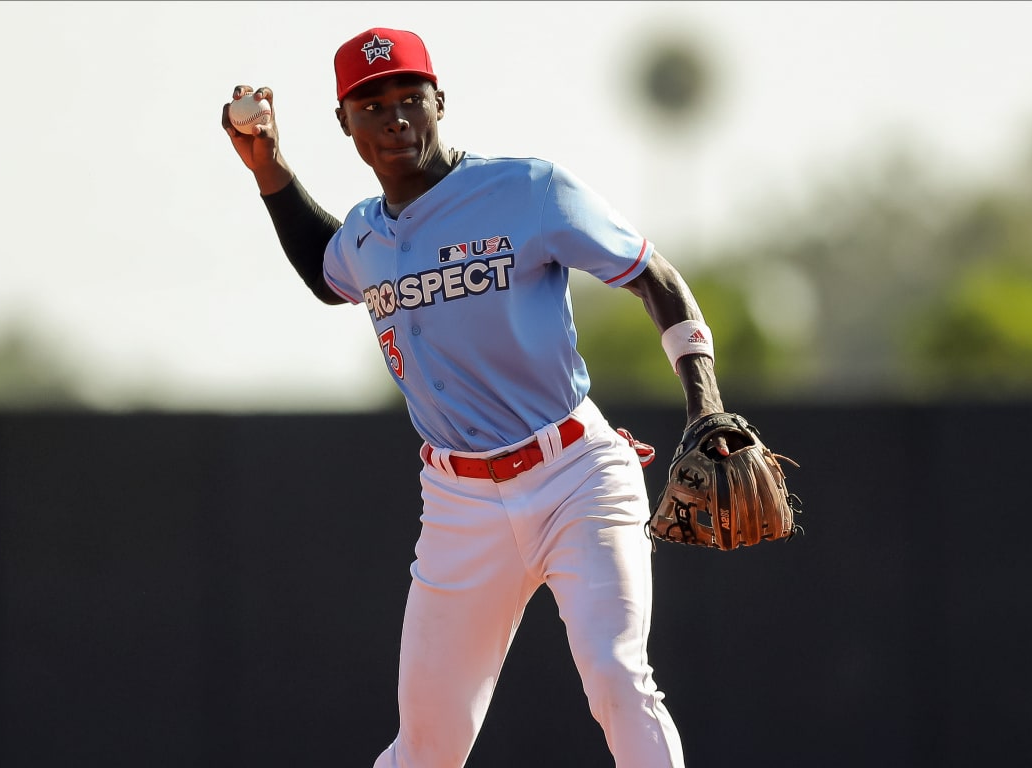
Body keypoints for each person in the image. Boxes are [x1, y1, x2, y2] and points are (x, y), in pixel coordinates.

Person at [221, 27, 732, 768]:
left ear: (439, 103)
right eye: (371, 106)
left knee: (618, 676)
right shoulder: (365, 235)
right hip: (459, 504)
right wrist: (269, 168)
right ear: (345, 124)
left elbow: (653, 276)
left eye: (408, 98)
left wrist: (705, 403)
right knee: (427, 747)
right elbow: (323, 267)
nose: (394, 118)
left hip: (575, 476)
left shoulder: (527, 191)